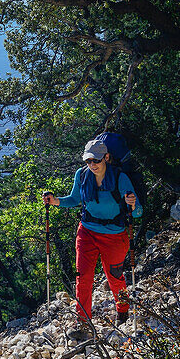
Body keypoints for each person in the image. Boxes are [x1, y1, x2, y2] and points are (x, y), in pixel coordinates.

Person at [43, 138, 142, 335]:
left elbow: (137, 212)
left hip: (114, 235)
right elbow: (74, 199)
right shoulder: (82, 175)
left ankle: (122, 310)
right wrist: (55, 201)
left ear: (106, 157)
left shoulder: (120, 178)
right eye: (88, 161)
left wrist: (132, 204)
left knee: (114, 276)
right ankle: (83, 322)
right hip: (87, 232)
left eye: (96, 160)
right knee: (83, 278)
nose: (92, 165)